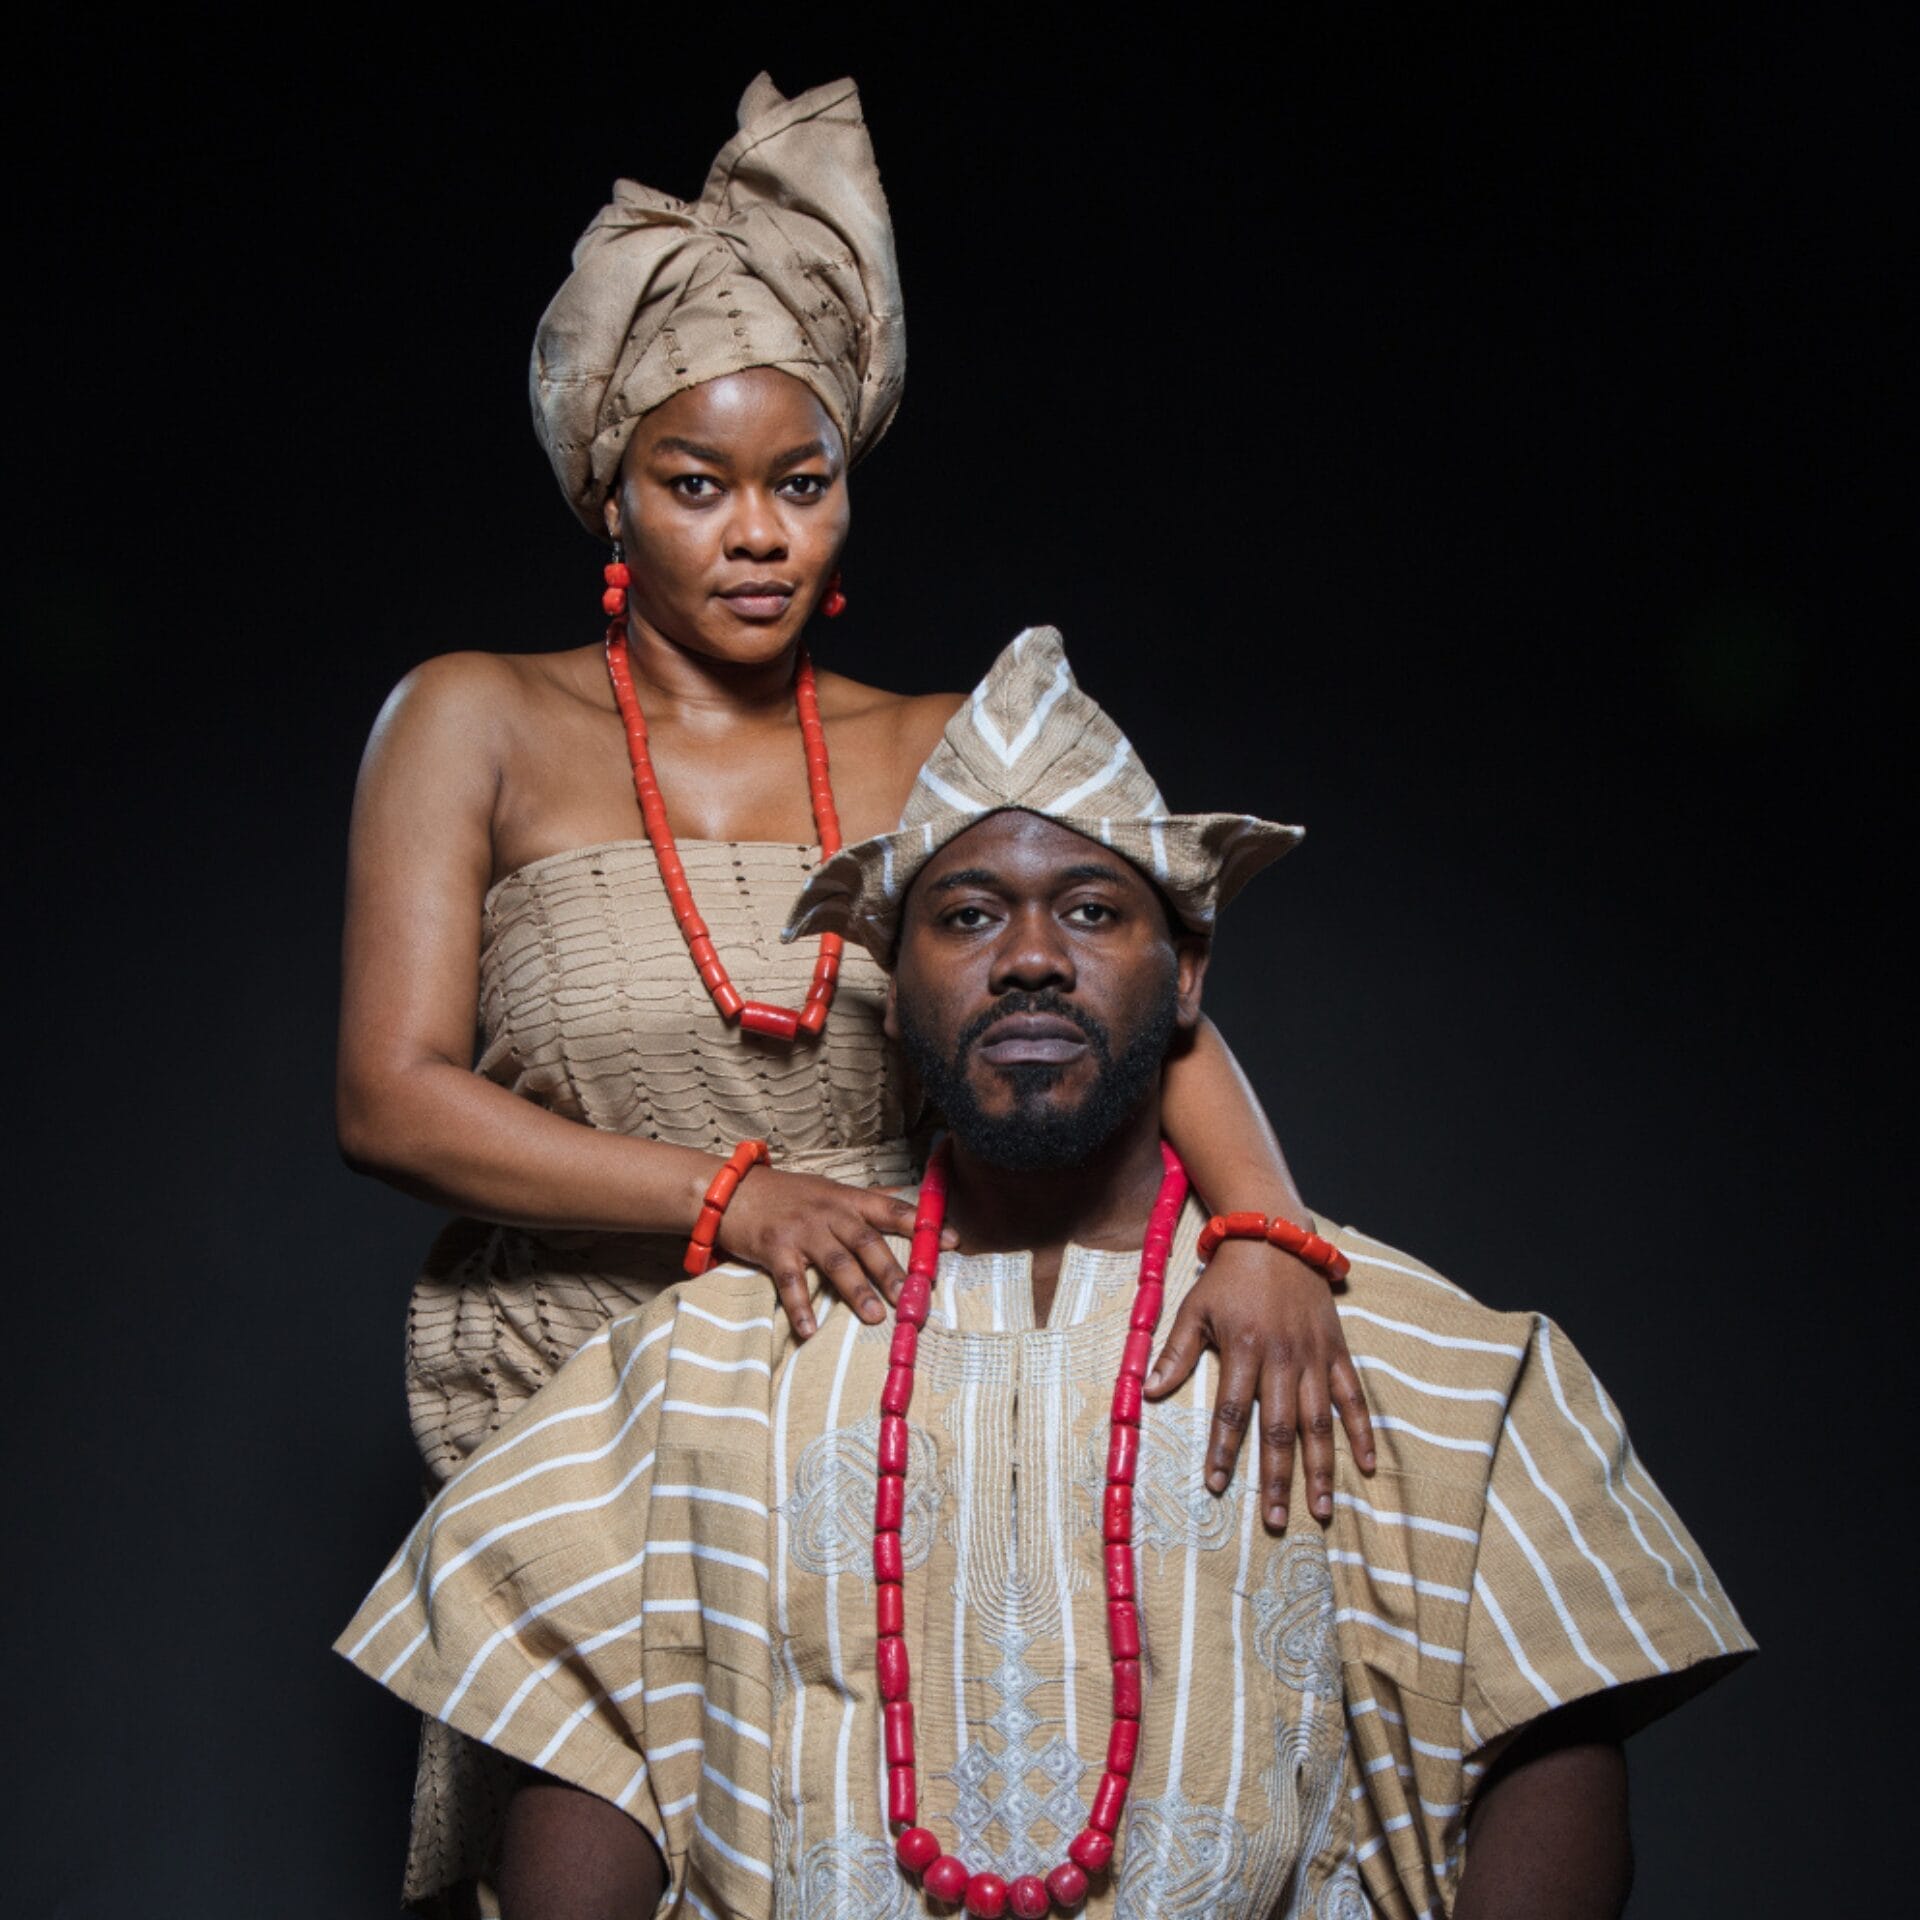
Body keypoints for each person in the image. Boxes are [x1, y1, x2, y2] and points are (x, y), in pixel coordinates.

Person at [337, 74, 1378, 1910]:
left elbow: (1137, 1001)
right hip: (570, 1386)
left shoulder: (933, 744)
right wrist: (727, 1200)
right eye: (697, 485)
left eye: (798, 486)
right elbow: (391, 1098)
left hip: (881, 1384)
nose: (756, 533)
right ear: (611, 491)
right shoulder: (470, 719)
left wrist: (1265, 1236)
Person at [339, 635, 1752, 1920]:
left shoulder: (1412, 1359)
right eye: (965, 919)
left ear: (1187, 972)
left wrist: (1270, 1228)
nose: (1028, 959)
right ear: (896, 991)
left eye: (1089, 911)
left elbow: (1546, 1747)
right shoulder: (698, 1369)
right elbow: (586, 1765)